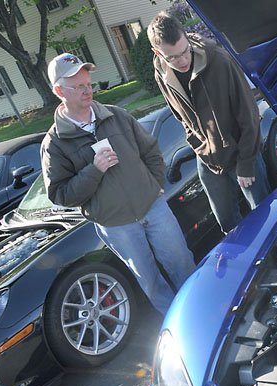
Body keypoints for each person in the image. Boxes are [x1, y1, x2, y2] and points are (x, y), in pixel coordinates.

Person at [40, 53, 196, 315]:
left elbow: (151, 152)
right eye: (78, 86)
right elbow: (60, 194)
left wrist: (154, 187)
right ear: (59, 91)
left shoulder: (117, 116)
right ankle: (180, 325)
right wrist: (95, 170)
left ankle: (201, 312)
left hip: (153, 208)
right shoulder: (54, 143)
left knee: (183, 264)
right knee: (151, 282)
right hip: (117, 225)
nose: (87, 90)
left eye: (88, 83)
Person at [147, 12, 270, 234]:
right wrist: (196, 143)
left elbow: (249, 114)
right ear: (157, 53)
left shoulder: (220, 61)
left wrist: (246, 163)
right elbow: (180, 116)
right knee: (227, 225)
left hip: (242, 153)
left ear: (187, 37)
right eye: (172, 57)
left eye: (185, 52)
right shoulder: (161, 74)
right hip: (207, 159)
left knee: (264, 217)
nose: (182, 61)